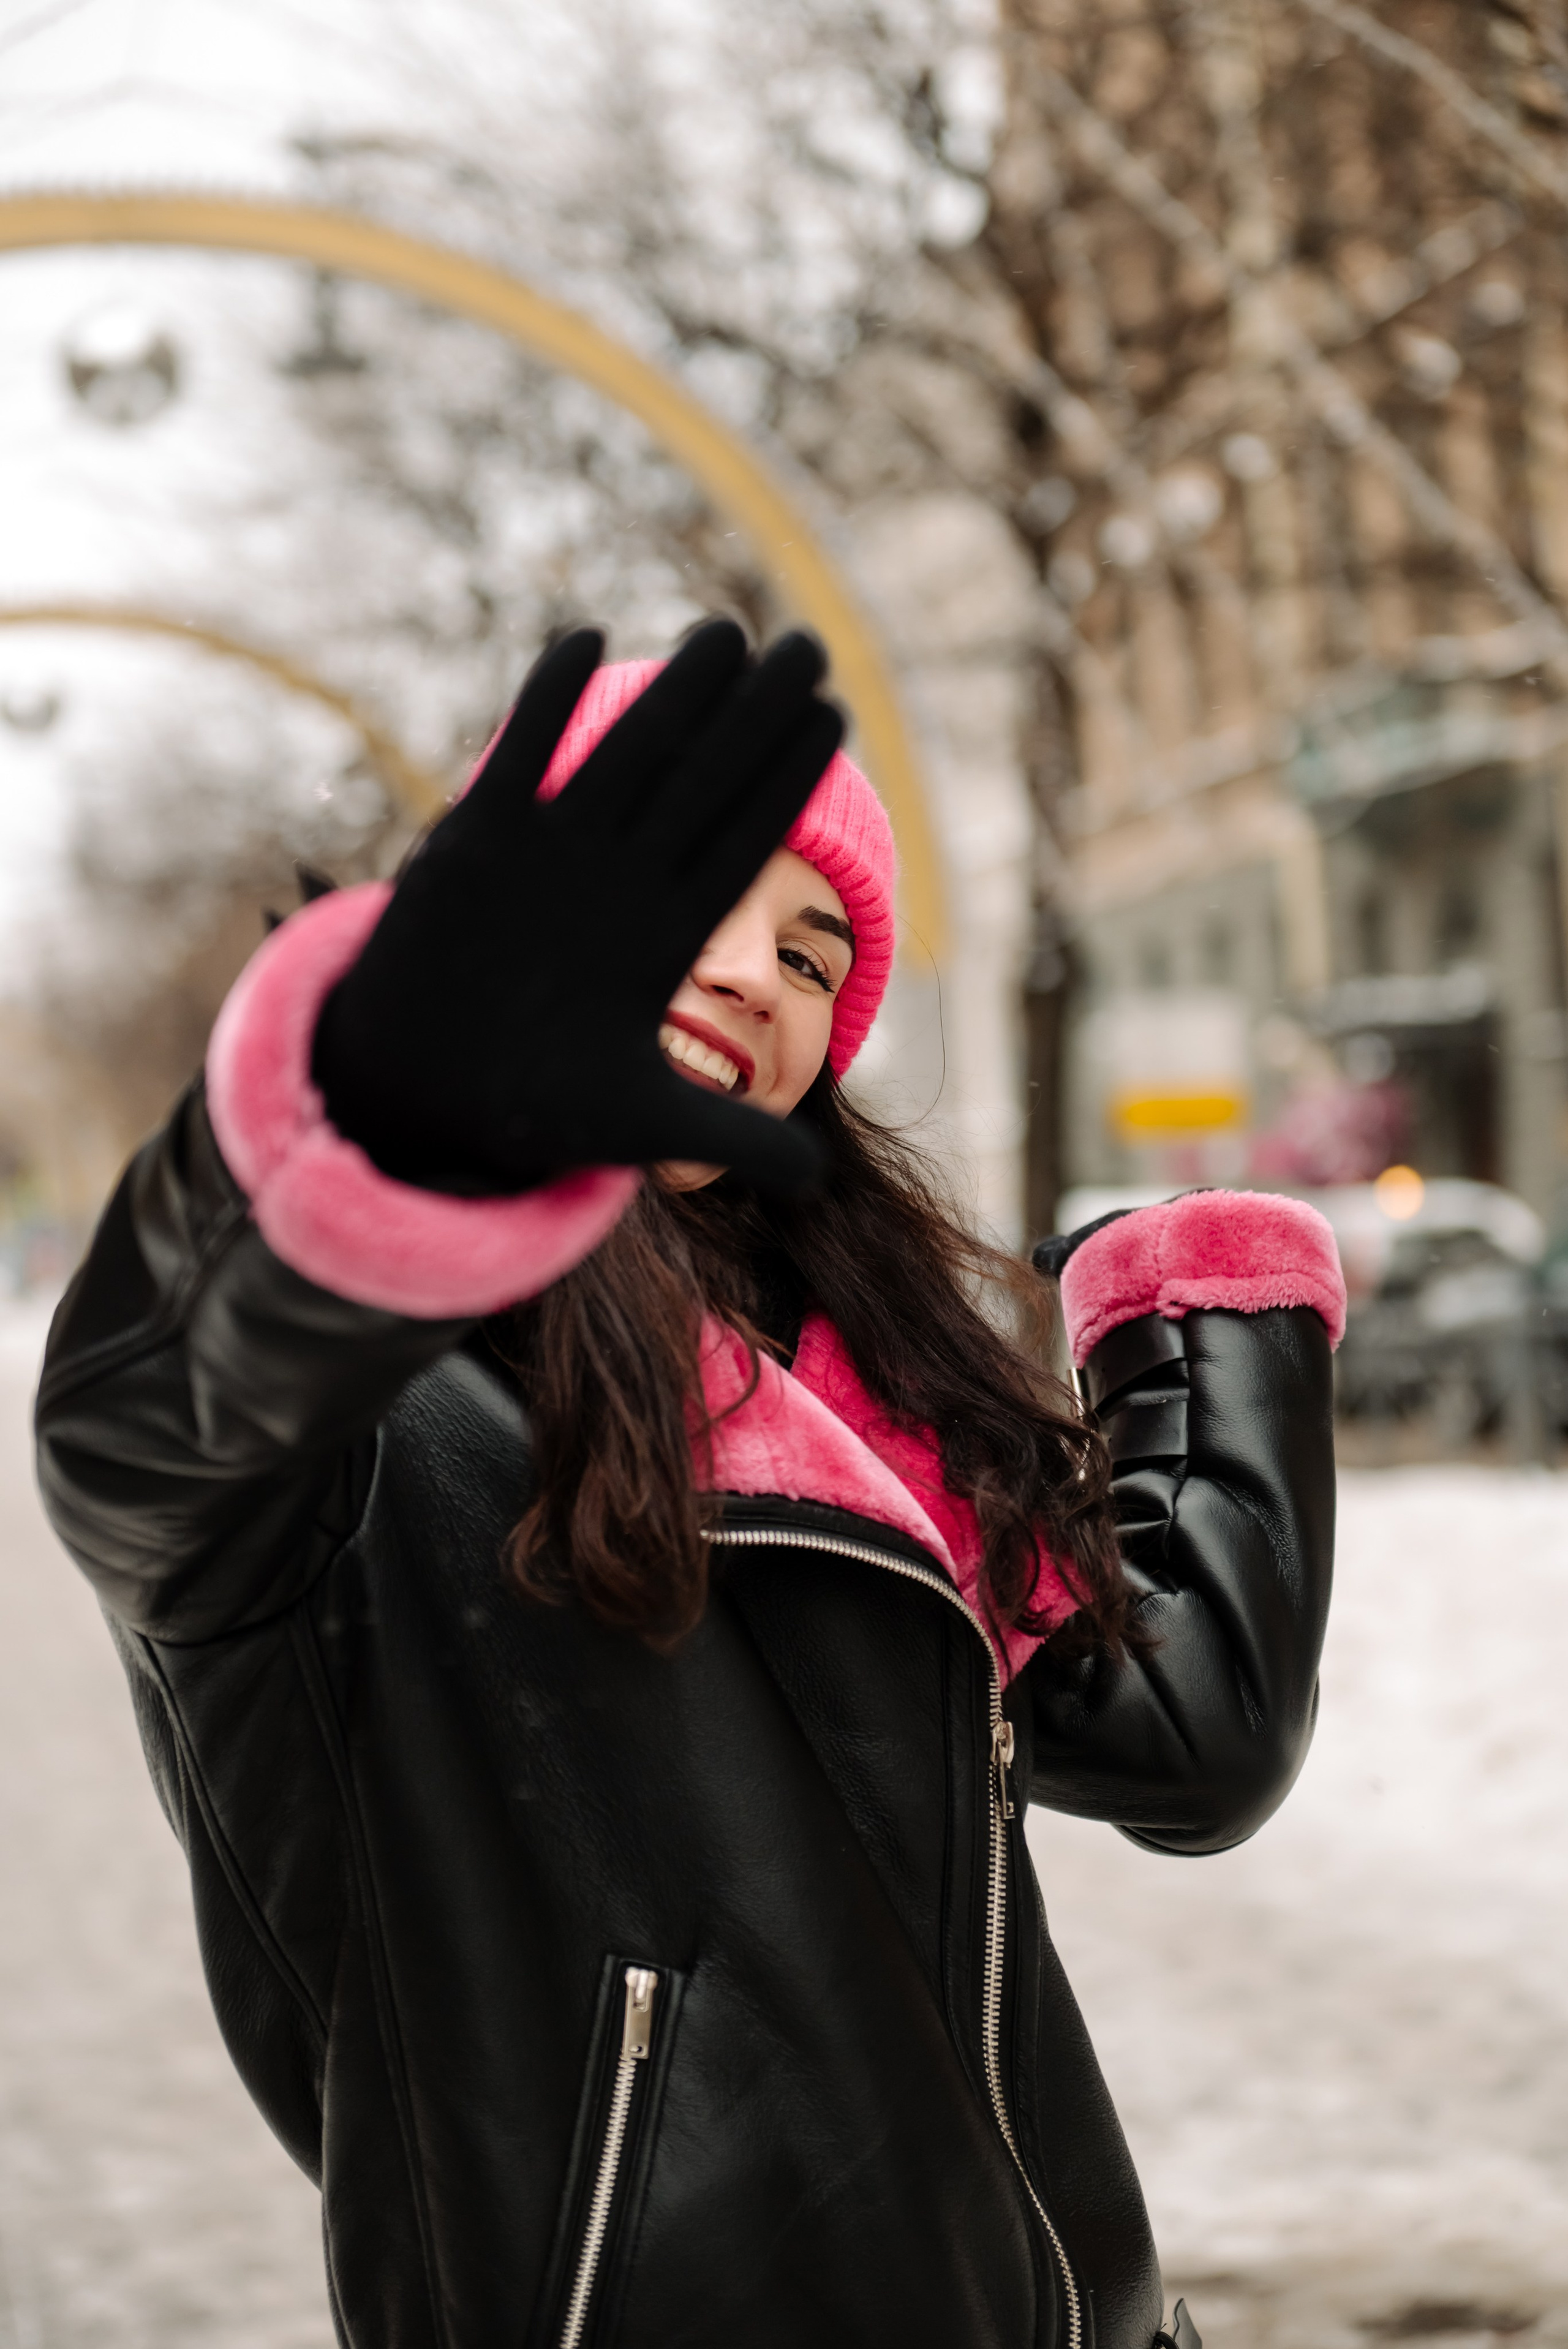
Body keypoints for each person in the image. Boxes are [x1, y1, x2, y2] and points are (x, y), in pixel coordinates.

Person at [36, 621, 1343, 2349]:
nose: (758, 978)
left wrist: (1201, 1315)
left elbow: (1197, 1733)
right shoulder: (365, 1413)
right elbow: (138, 1424)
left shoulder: (867, 1407)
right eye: (700, 900)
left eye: (816, 956)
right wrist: (372, 1125)